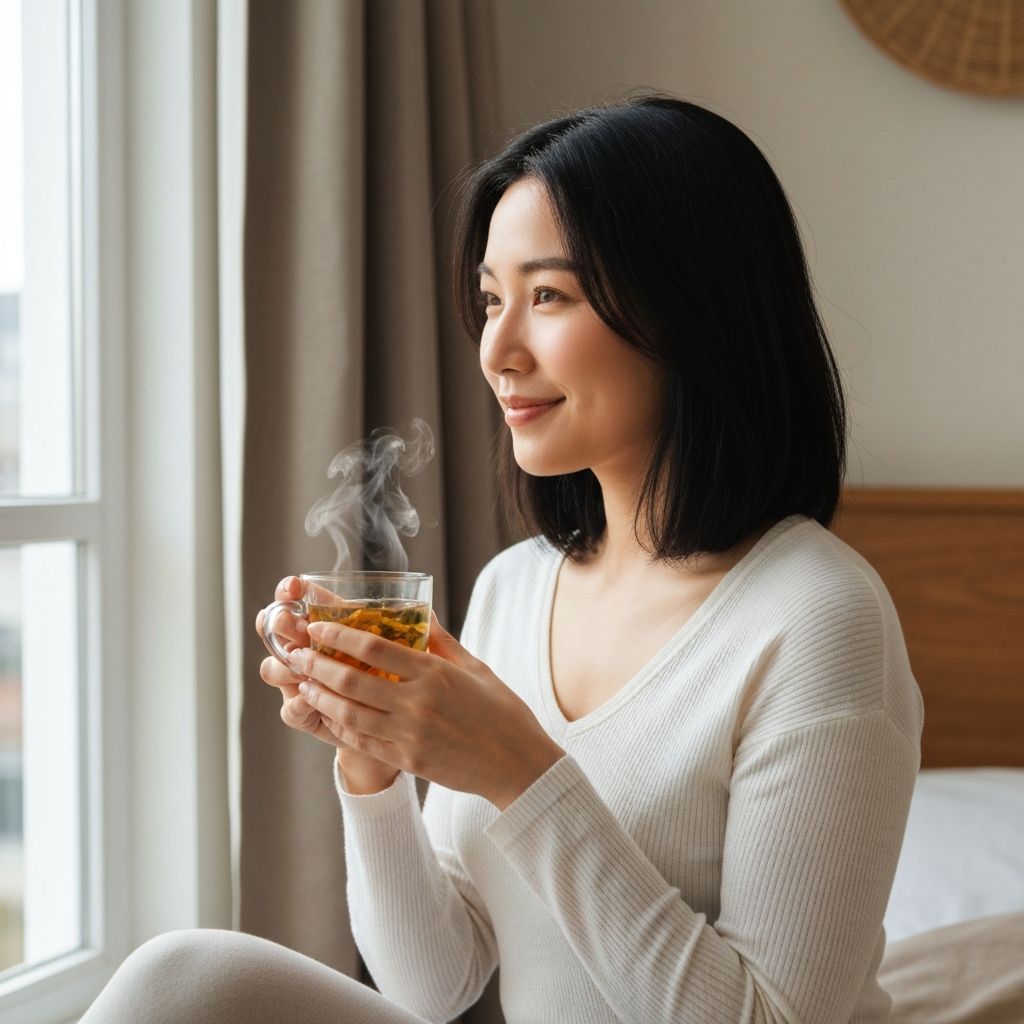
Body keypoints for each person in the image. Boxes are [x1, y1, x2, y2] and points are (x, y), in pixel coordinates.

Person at [81, 96, 922, 1023]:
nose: (497, 350)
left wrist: (520, 772)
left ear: (691, 308)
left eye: (548, 296)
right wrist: (375, 763)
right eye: (490, 300)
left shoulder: (816, 615)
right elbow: (433, 986)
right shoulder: (516, 586)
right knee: (180, 978)